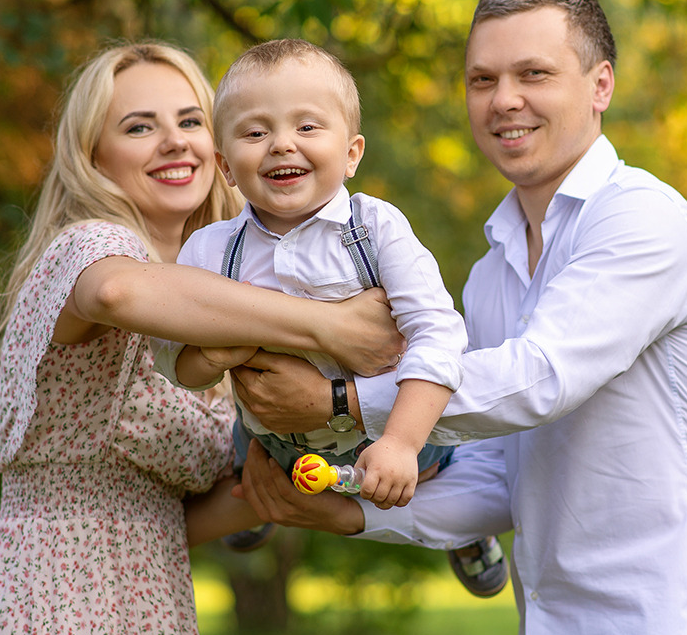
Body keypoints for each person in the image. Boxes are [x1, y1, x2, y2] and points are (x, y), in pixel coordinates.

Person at [234, 0, 687, 635]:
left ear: (600, 85)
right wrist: (347, 510)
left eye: (533, 74)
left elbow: (540, 378)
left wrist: (338, 400)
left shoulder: (643, 219)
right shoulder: (489, 275)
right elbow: (494, 479)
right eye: (482, 79)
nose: (503, 99)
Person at [0, 41, 403, 635]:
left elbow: (170, 513)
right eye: (140, 125)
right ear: (94, 156)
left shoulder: (221, 289)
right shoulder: (86, 246)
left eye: (189, 119)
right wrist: (329, 322)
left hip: (149, 614)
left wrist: (271, 487)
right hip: (54, 604)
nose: (173, 139)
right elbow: (117, 291)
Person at [153, 38, 507, 595]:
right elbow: (175, 366)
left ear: (352, 153)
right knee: (239, 442)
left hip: (385, 436)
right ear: (224, 165)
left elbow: (438, 334)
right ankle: (261, 494)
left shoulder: (374, 231)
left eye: (308, 127)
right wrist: (212, 354)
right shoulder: (209, 250)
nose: (281, 145)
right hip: (274, 436)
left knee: (443, 462)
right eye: (255, 132)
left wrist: (401, 444)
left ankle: (462, 530)